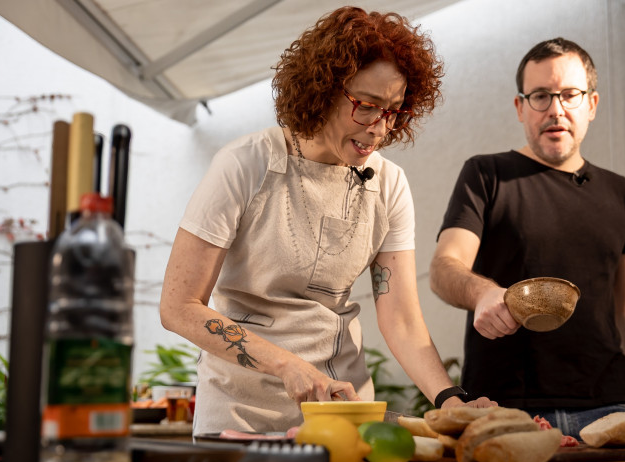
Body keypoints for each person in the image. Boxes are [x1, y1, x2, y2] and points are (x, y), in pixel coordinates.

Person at [160, 7, 494, 436]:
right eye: (366, 106)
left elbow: (402, 320)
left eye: (393, 111)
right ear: (321, 91)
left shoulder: (389, 184)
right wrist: (286, 363)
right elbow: (179, 306)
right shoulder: (244, 165)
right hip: (240, 417)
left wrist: (450, 401)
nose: (379, 129)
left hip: (344, 415)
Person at [429, 38, 625, 462]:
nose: (555, 109)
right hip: (504, 412)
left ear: (592, 103)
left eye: (569, 94)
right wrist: (484, 292)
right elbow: (444, 268)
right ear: (520, 107)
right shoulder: (486, 175)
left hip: (607, 412)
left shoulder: (619, 192)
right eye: (539, 96)